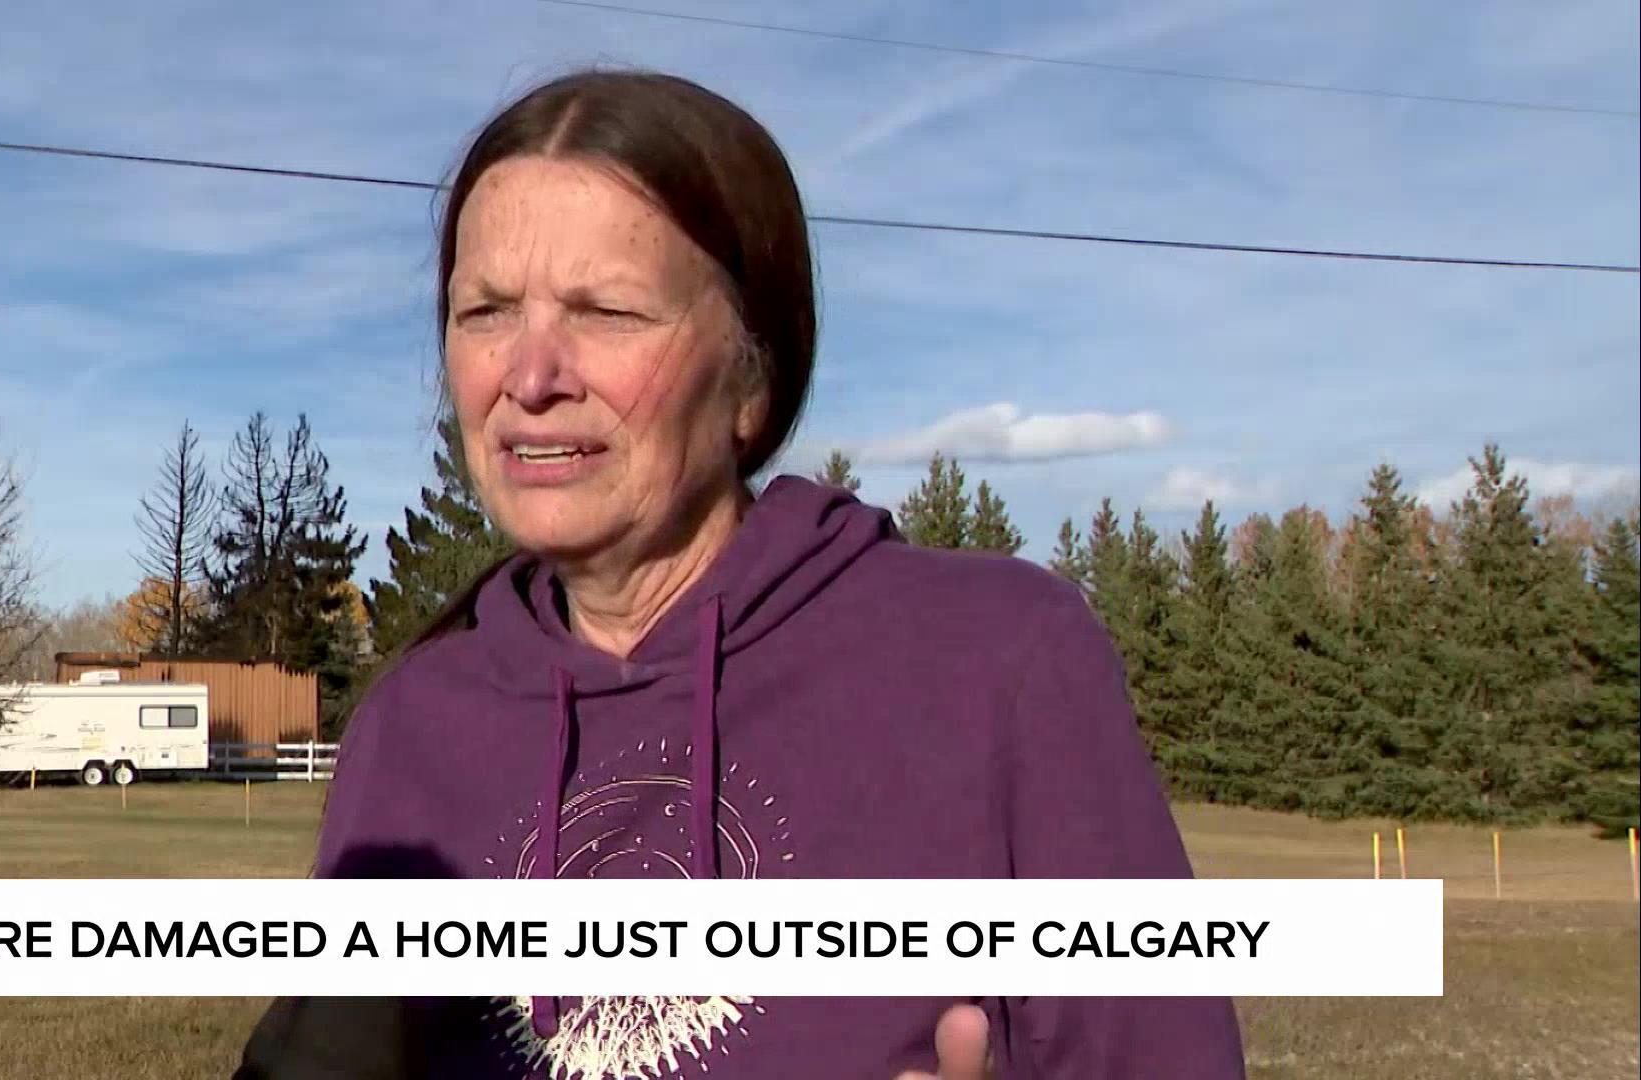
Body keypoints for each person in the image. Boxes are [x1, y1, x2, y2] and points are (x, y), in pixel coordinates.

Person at [255, 67, 1247, 1079]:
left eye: (608, 311)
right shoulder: (414, 727)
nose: (531, 376)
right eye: (487, 312)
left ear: (751, 381)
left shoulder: (997, 663)